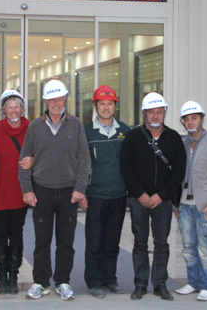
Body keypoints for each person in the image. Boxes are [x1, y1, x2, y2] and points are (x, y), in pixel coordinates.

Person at [18, 79, 91, 301]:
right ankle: (41, 282)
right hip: (42, 191)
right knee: (41, 241)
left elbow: (84, 160)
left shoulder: (75, 125)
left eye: (60, 99)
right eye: (52, 100)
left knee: (66, 241)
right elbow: (24, 161)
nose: (57, 103)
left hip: (69, 192)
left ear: (66, 99)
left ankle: (62, 281)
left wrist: (80, 188)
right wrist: (27, 189)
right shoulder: (35, 127)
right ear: (46, 102)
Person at [120, 92, 186, 301]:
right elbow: (126, 168)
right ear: (144, 114)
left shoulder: (174, 138)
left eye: (159, 112)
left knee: (161, 243)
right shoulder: (133, 137)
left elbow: (179, 172)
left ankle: (160, 284)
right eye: (151, 112)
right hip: (138, 200)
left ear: (165, 112)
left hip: (163, 201)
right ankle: (140, 284)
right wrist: (140, 194)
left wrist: (162, 196)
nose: (155, 116)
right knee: (140, 243)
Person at [80, 86, 131, 299]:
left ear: (115, 106)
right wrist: (81, 193)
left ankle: (110, 279)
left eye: (110, 104)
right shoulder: (86, 131)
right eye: (102, 104)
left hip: (118, 196)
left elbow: (130, 164)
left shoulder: (125, 131)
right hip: (95, 196)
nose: (106, 107)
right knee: (94, 243)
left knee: (112, 242)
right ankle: (94, 282)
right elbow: (80, 164)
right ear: (96, 106)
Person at [174, 101, 207, 302]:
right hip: (184, 204)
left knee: (205, 248)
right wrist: (175, 204)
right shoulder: (182, 144)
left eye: (194, 118)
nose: (190, 122)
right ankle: (193, 282)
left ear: (202, 119)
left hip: (206, 205)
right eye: (187, 119)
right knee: (188, 247)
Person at [0, 90, 32, 295]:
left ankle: (13, 274)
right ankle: (1, 276)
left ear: (22, 109)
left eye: (17, 106)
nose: (13, 110)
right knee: (0, 233)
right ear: (3, 110)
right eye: (9, 107)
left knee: (16, 233)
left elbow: (40, 153)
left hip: (21, 190)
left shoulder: (31, 128)